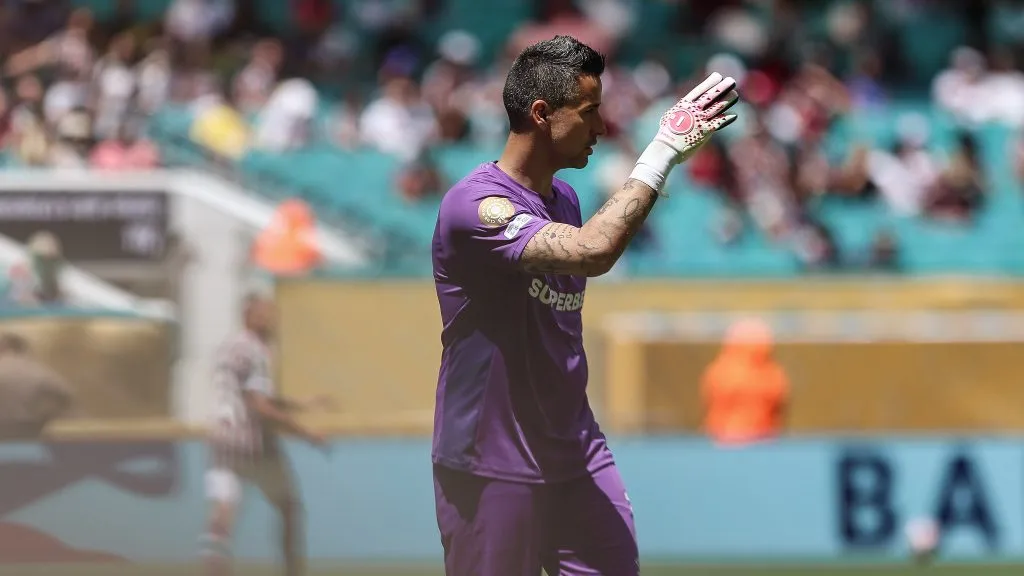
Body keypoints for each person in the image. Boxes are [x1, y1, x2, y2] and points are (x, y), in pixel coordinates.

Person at [430, 35, 739, 575]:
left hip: (576, 451)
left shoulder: (565, 200)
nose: (600, 128)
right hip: (493, 461)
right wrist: (662, 150)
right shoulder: (474, 206)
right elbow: (593, 251)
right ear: (542, 113)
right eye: (590, 113)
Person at [201, 293, 333, 576]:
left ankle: (212, 565)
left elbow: (251, 395)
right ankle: (291, 569)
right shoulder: (256, 350)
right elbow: (260, 406)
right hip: (253, 442)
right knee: (289, 507)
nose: (271, 319)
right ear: (249, 314)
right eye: (264, 313)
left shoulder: (228, 347)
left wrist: (302, 403)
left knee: (222, 515)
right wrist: (307, 433)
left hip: (222, 440)